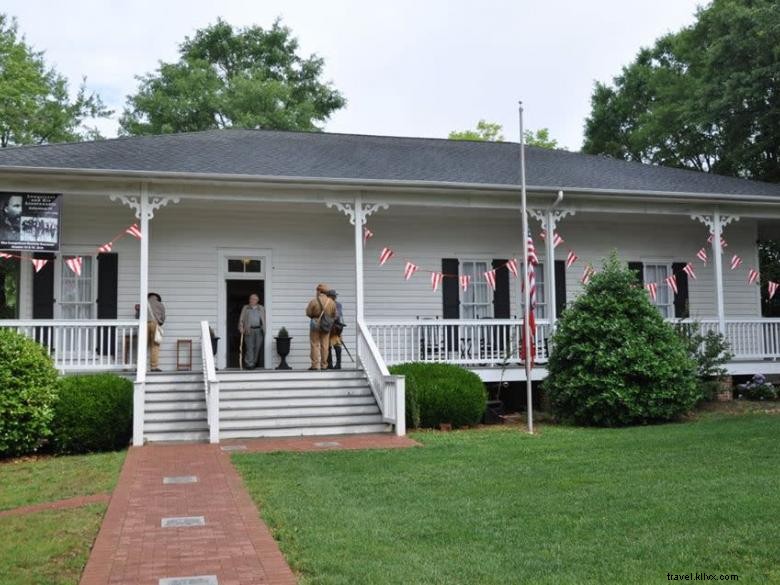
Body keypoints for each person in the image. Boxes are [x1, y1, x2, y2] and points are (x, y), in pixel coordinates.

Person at [305, 283, 336, 370]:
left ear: (319, 291)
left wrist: (314, 316)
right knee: (325, 345)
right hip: (326, 325)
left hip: (315, 323)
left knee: (314, 344)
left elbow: (308, 313)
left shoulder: (314, 301)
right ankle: (324, 365)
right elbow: (334, 315)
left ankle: (314, 365)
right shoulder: (331, 302)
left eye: (317, 290)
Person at [238, 293, 266, 370]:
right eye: (251, 299)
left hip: (259, 330)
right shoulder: (246, 308)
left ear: (257, 300)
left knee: (257, 347)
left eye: (254, 299)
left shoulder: (261, 308)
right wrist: (241, 327)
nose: (252, 300)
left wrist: (264, 328)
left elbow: (264, 319)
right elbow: (241, 319)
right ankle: (249, 363)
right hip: (248, 329)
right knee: (249, 347)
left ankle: (254, 362)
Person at [326, 289, 345, 370]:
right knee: (327, 346)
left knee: (337, 345)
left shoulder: (338, 305)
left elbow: (338, 316)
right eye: (334, 295)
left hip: (335, 328)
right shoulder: (326, 304)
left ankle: (338, 364)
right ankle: (329, 364)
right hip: (328, 327)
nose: (335, 297)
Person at [147, 292, 166, 372]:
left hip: (145, 324)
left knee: (142, 346)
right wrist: (160, 322)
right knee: (155, 346)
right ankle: (153, 367)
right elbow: (163, 318)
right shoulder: (161, 304)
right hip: (155, 324)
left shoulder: (145, 303)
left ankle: (140, 366)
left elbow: (138, 315)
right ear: (157, 298)